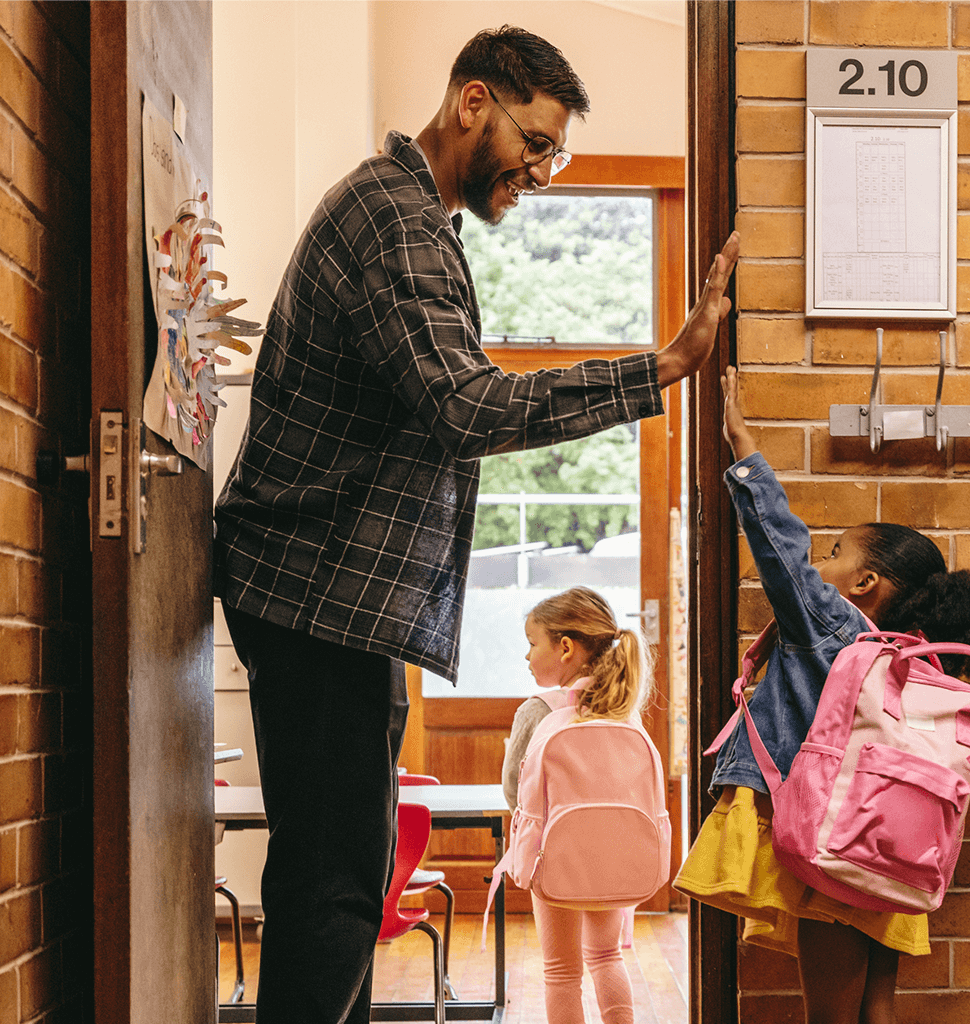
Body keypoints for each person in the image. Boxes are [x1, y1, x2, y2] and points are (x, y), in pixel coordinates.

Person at [213, 25, 739, 1024]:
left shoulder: (416, 219)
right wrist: (661, 367)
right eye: (535, 143)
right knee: (333, 888)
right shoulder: (394, 222)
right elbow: (467, 406)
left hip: (335, 603)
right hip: (316, 599)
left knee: (343, 880)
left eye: (555, 156)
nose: (539, 171)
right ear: (471, 104)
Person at [674, 367, 970, 1024]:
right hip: (890, 846)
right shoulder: (919, 660)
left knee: (829, 1015)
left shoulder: (835, 628)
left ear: (865, 583)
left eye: (835, 553)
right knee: (875, 1007)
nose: (820, 564)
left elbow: (780, 550)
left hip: (833, 838)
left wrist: (744, 448)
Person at [502, 587, 651, 1024]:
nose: (527, 655)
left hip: (554, 857)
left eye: (533, 643)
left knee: (562, 971)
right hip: (614, 855)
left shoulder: (539, 711)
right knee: (607, 957)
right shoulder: (623, 709)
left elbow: (514, 790)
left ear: (565, 647)